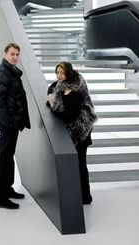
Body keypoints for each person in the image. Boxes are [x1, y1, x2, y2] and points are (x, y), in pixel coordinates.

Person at [47, 61, 97, 204]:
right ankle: (76, 194)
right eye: (57, 72)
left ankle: (85, 197)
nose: (59, 75)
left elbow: (71, 113)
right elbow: (51, 91)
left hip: (81, 130)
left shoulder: (76, 88)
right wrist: (53, 98)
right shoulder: (59, 86)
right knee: (75, 164)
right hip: (70, 130)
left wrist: (53, 101)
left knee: (80, 163)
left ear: (68, 73)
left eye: (62, 73)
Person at [0, 42, 31, 209]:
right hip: (7, 123)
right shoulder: (1, 73)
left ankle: (8, 189)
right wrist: (9, 122)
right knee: (4, 158)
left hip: (12, 123)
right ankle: (1, 198)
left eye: (17, 55)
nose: (15, 57)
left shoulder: (11, 71)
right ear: (5, 54)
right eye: (12, 54)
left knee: (8, 157)